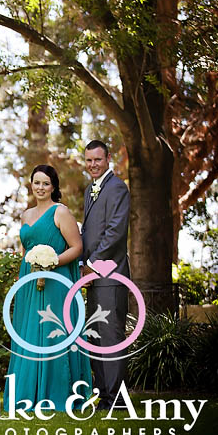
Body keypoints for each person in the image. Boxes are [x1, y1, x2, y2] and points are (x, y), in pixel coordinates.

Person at [3, 165, 91, 410]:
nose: (40, 187)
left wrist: (52, 262)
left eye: (45, 183)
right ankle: (28, 392)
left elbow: (77, 247)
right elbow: (25, 250)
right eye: (37, 183)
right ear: (31, 184)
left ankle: (56, 392)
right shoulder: (25, 215)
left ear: (53, 187)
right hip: (29, 281)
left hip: (56, 280)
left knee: (53, 332)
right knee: (29, 333)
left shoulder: (60, 212)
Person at [80, 140, 130, 410]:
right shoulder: (90, 190)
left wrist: (92, 263)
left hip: (111, 275)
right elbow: (90, 233)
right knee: (96, 336)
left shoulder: (117, 188)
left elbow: (115, 232)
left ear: (108, 158)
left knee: (111, 336)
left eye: (97, 159)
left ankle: (117, 399)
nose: (93, 165)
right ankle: (104, 395)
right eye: (89, 160)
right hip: (93, 277)